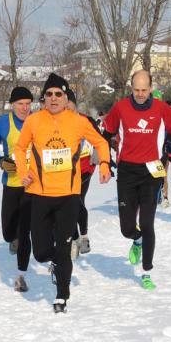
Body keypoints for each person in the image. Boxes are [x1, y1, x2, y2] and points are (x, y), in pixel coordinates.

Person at [14, 73, 111, 313]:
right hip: (40, 194)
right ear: (44, 98)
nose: (54, 98)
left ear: (65, 97)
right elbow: (19, 147)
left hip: (68, 195)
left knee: (64, 245)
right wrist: (23, 170)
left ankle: (62, 297)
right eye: (49, 94)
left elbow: (101, 143)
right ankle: (55, 262)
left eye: (58, 94)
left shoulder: (78, 121)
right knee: (41, 252)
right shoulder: (34, 121)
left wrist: (106, 164)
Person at [102, 70, 171, 290]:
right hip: (127, 171)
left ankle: (146, 271)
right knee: (127, 228)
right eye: (136, 90)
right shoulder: (120, 108)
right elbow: (106, 132)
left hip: (150, 171)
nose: (139, 94)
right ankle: (136, 240)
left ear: (150, 88)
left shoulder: (162, 108)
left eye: (144, 90)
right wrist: (105, 160)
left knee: (147, 223)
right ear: (131, 88)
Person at [0, 86, 34, 292]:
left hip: (33, 185)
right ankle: (13, 238)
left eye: (28, 103)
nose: (24, 107)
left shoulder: (38, 121)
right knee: (8, 232)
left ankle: (21, 275)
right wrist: (0, 161)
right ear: (12, 105)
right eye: (20, 104)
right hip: (11, 183)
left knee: (25, 233)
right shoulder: (3, 123)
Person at [66, 88, 101, 258]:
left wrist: (99, 159)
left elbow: (99, 141)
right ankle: (74, 238)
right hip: (65, 170)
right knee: (69, 203)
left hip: (85, 168)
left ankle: (84, 235)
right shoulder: (58, 122)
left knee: (77, 200)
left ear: (75, 105)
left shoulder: (86, 120)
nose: (67, 110)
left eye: (70, 106)